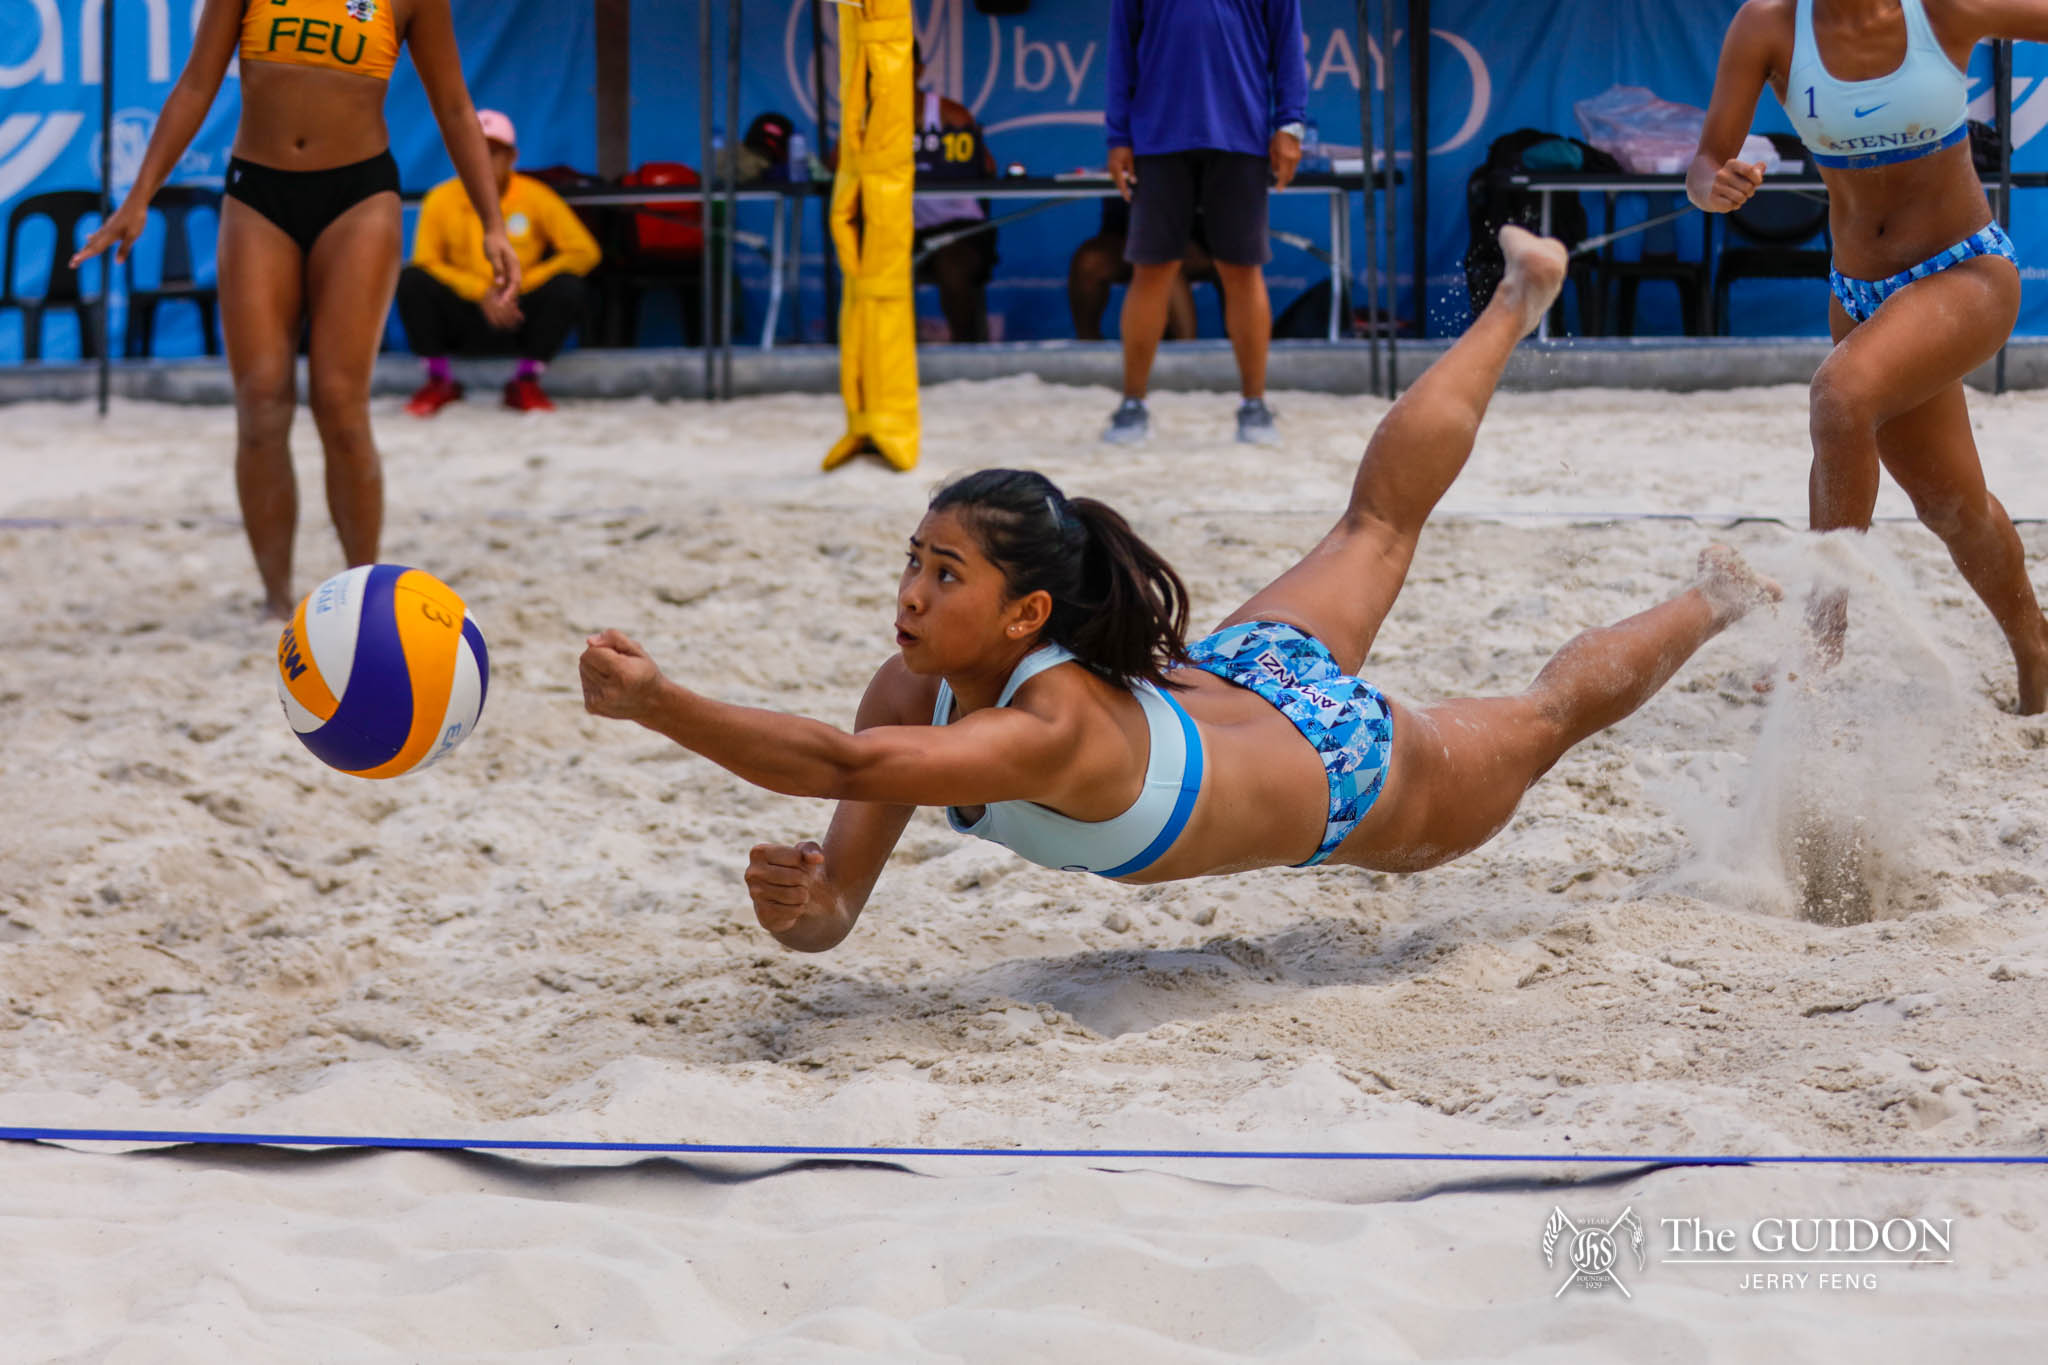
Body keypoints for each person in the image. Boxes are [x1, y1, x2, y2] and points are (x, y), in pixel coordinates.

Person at [579, 229, 1782, 954]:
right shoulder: (911, 685)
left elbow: (841, 770)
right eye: (912, 558)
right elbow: (837, 905)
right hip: (1237, 670)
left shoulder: (1040, 729)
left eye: (945, 573)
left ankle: (1717, 598)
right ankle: (1515, 304)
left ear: (1024, 616)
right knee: (1373, 519)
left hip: (1341, 770)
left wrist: (659, 703)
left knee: (1537, 718)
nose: (909, 591)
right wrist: (804, 907)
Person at [71, 0, 518, 621]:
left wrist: (492, 222)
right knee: (261, 401)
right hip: (259, 191)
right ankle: (276, 601)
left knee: (340, 402)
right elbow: (198, 82)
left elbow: (452, 105)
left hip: (359, 194)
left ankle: (362, 600)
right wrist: (139, 195)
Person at [1689, 0, 2048, 714]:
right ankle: (2038, 648)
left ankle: (1818, 640)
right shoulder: (1768, 25)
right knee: (1952, 506)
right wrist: (1716, 188)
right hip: (1860, 292)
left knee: (1840, 395)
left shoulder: (1944, 9)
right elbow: (1705, 164)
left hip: (1967, 271)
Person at [1102, 0, 1307, 446]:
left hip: (1241, 134)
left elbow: (1287, 44)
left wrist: (1291, 124)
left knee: (1241, 269)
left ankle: (1254, 404)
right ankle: (1132, 404)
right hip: (1157, 138)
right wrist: (1118, 135)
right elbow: (1121, 49)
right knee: (1152, 269)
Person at [399, 109, 602, 416]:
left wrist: (516, 287)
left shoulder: (536, 196)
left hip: (518, 313)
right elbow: (427, 262)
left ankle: (526, 380)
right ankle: (438, 379)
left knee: (568, 286)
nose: (481, 160)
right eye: (472, 150)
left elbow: (585, 251)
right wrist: (481, 290)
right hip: (464, 314)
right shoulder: (439, 199)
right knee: (412, 279)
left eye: (492, 152)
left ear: (512, 157)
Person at [911, 43, 1000, 343]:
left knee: (953, 265)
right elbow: (836, 167)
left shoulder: (949, 113)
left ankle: (965, 355)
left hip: (959, 225)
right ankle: (889, 355)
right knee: (874, 263)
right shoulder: (867, 116)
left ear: (918, 69)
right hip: (897, 228)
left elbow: (987, 166)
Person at [1067, 196, 1218, 343]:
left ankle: (1187, 355)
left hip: (1189, 238)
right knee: (1091, 260)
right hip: (1130, 235)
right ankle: (1090, 354)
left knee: (1161, 258)